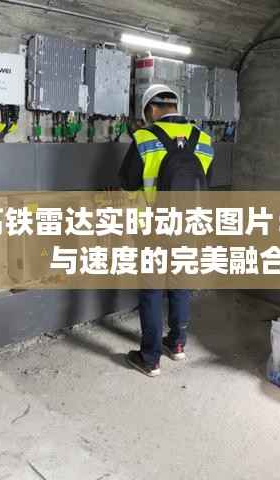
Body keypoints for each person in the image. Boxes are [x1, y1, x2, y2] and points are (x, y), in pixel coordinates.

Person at [119, 84, 214, 377]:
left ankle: (150, 358)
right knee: (180, 284)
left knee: (151, 290)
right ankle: (177, 343)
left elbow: (128, 182)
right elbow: (205, 182)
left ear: (151, 109)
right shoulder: (204, 139)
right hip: (188, 225)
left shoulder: (144, 138)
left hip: (152, 227)